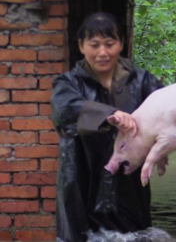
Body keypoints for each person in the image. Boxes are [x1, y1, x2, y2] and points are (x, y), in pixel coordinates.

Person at [51, 12, 163, 242]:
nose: (102, 52)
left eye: (109, 44)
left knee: (133, 237)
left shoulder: (142, 82)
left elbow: (168, 109)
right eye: (94, 45)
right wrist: (109, 114)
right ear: (81, 46)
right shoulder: (67, 83)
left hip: (128, 188)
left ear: (121, 44)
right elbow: (64, 111)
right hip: (82, 186)